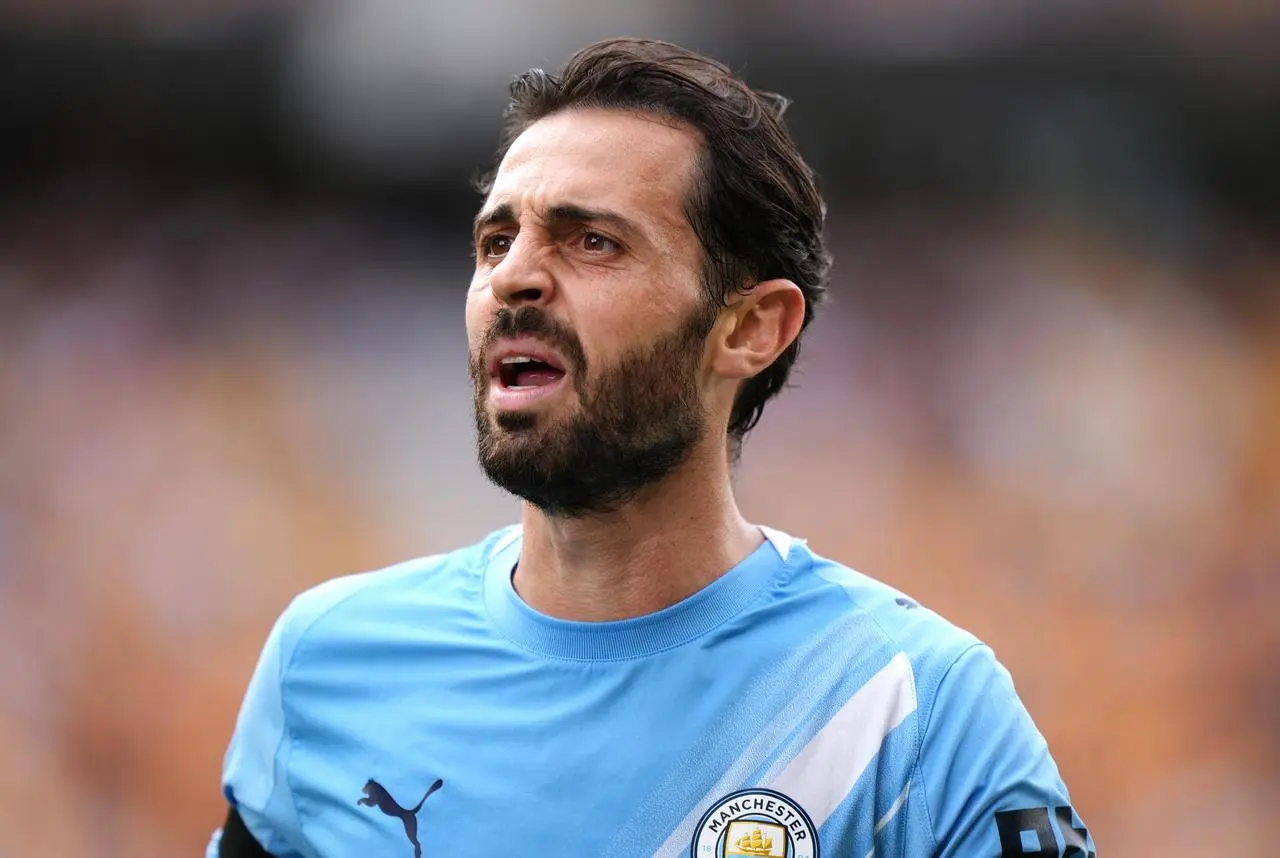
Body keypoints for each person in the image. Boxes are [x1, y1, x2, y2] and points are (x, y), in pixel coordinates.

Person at [210, 37, 1093, 858]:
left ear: (750, 327)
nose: (513, 274)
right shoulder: (327, 662)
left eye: (592, 241)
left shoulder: (910, 708)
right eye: (495, 240)